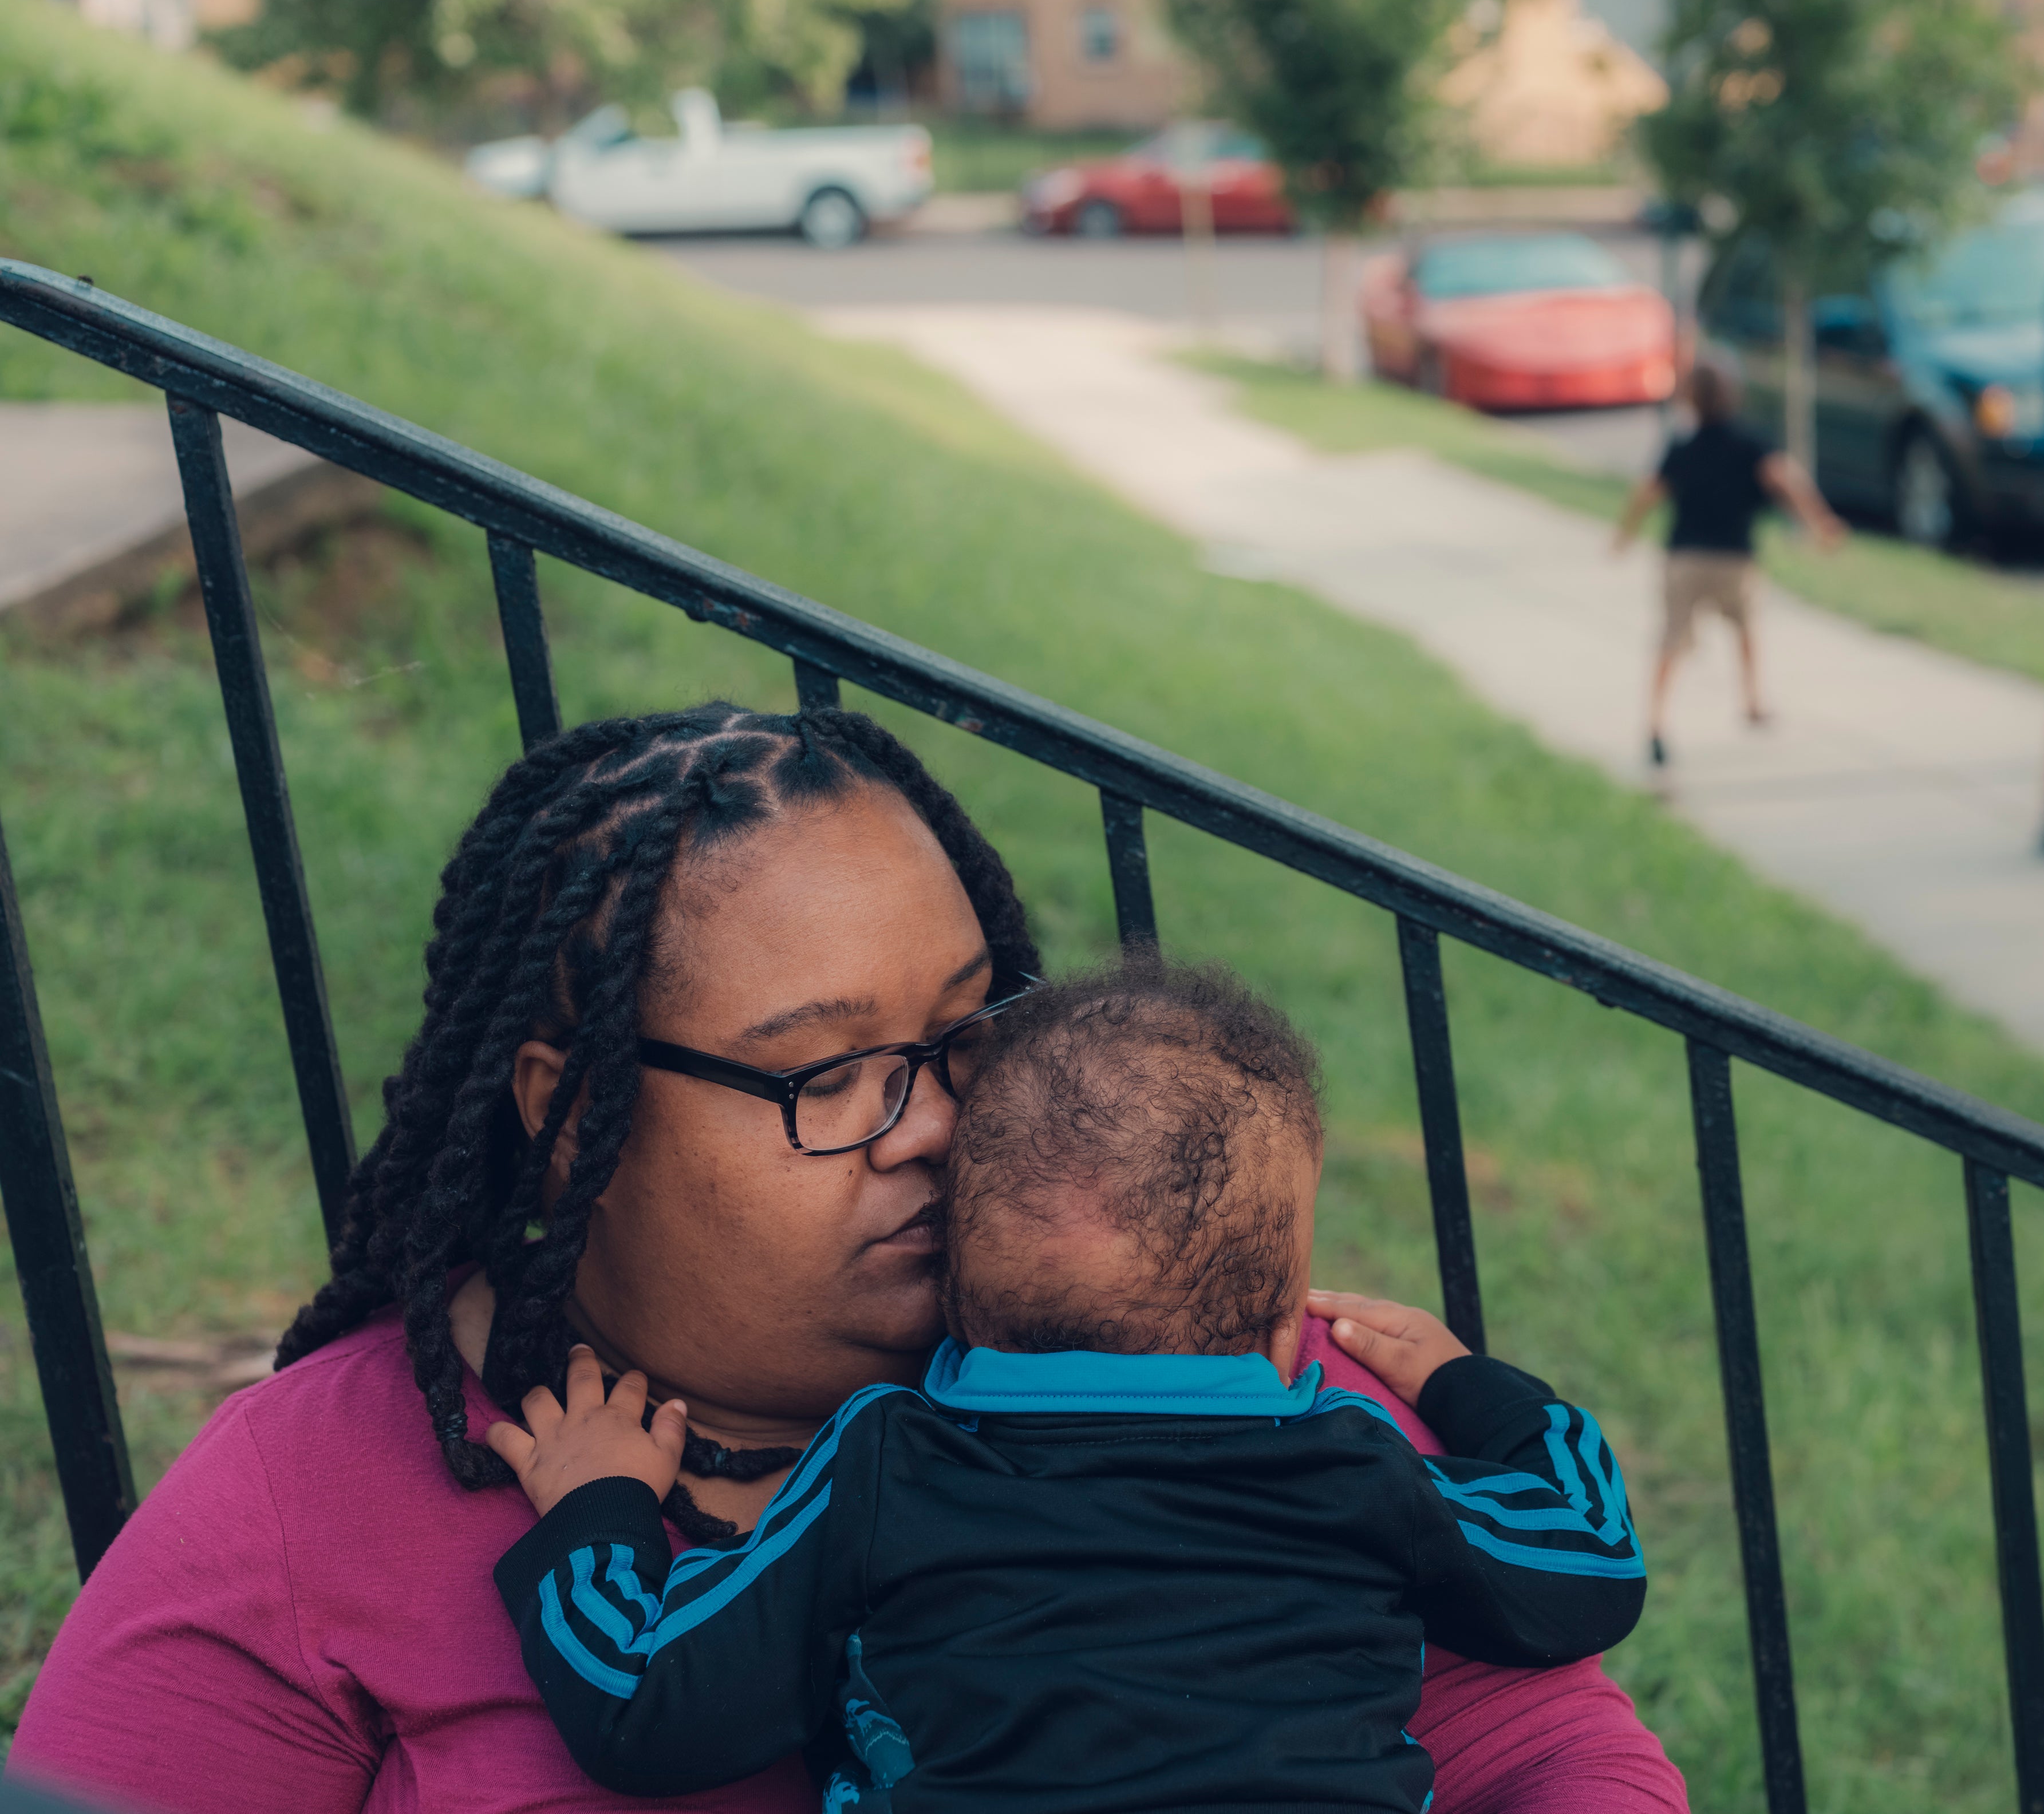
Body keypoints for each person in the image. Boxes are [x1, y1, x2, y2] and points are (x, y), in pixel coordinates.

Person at [11, 704, 1688, 1814]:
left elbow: (1550, 1748)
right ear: (572, 1103)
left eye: (967, 1033)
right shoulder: (313, 1498)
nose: (933, 1127)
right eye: (825, 1071)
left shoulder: (1182, 1370)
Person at [490, 959, 1644, 1809]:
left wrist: (601, 1508)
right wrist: (1467, 1385)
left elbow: (640, 1705)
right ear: (1286, 1323)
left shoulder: (888, 1458)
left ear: (949, 1286)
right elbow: (1590, 1561)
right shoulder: (1353, 1457)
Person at [1612, 357, 1845, 761]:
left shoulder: (1682, 447)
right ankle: (1752, 700)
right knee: (1745, 628)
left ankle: (1655, 720)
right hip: (1734, 559)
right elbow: (1785, 479)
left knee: (1671, 639)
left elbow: (1647, 492)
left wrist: (1625, 534)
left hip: (1684, 558)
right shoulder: (1751, 442)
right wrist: (1818, 522)